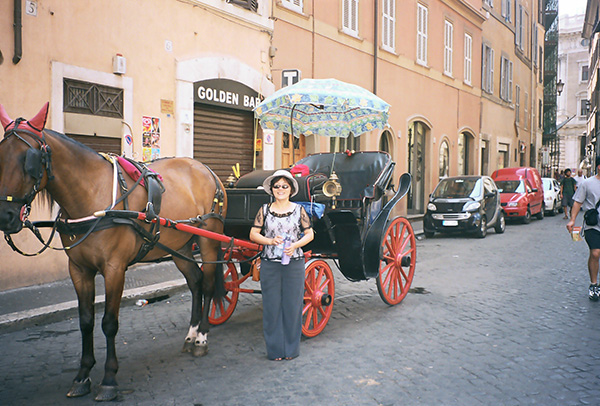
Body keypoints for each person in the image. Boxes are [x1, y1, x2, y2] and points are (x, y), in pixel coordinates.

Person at [249, 170, 314, 361]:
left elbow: (310, 234)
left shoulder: (299, 210)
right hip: (270, 264)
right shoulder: (264, 210)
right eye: (277, 186)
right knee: (271, 307)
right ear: (272, 189)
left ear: (291, 189)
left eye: (285, 186)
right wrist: (269, 241)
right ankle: (275, 350)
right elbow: (253, 234)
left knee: (292, 306)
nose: (280, 189)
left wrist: (295, 245)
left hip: (294, 264)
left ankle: (291, 349)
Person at [567, 156, 600, 301]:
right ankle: (594, 284)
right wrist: (572, 220)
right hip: (593, 225)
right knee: (595, 253)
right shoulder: (587, 183)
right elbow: (577, 202)